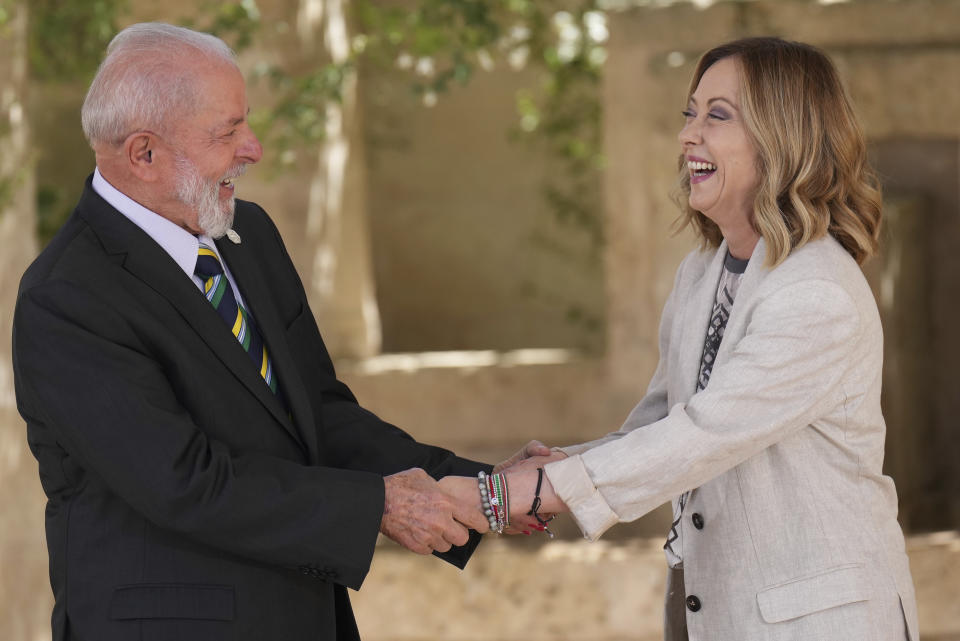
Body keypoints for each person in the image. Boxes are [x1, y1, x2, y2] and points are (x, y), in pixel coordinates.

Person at [11, 22, 546, 641]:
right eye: (228, 132)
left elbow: (318, 414)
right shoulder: (66, 299)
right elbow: (185, 482)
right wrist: (381, 505)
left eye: (247, 123)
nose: (254, 148)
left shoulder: (250, 236)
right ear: (143, 154)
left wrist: (482, 488)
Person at [443, 37, 919, 640]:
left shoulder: (816, 293)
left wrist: (518, 494)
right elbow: (661, 427)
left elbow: (700, 437)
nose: (688, 135)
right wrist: (562, 468)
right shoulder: (704, 271)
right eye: (689, 114)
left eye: (717, 115)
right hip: (713, 611)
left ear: (783, 137)